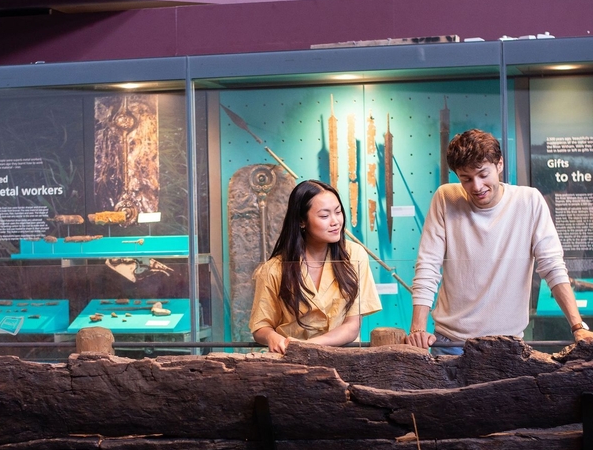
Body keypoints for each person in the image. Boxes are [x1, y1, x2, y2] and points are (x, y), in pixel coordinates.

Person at [408, 128, 593, 352]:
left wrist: (577, 327)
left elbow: (552, 266)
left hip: (508, 346)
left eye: (483, 175)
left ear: (500, 165)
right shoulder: (445, 198)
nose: (476, 187)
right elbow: (428, 265)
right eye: (466, 179)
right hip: (452, 342)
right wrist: (418, 329)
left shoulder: (529, 201)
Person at [249, 179, 382, 353]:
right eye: (324, 216)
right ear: (301, 221)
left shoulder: (354, 255)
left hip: (343, 357)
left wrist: (309, 346)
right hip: (290, 360)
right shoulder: (274, 268)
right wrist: (271, 336)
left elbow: (352, 326)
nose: (335, 221)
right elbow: (261, 326)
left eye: (338, 212)